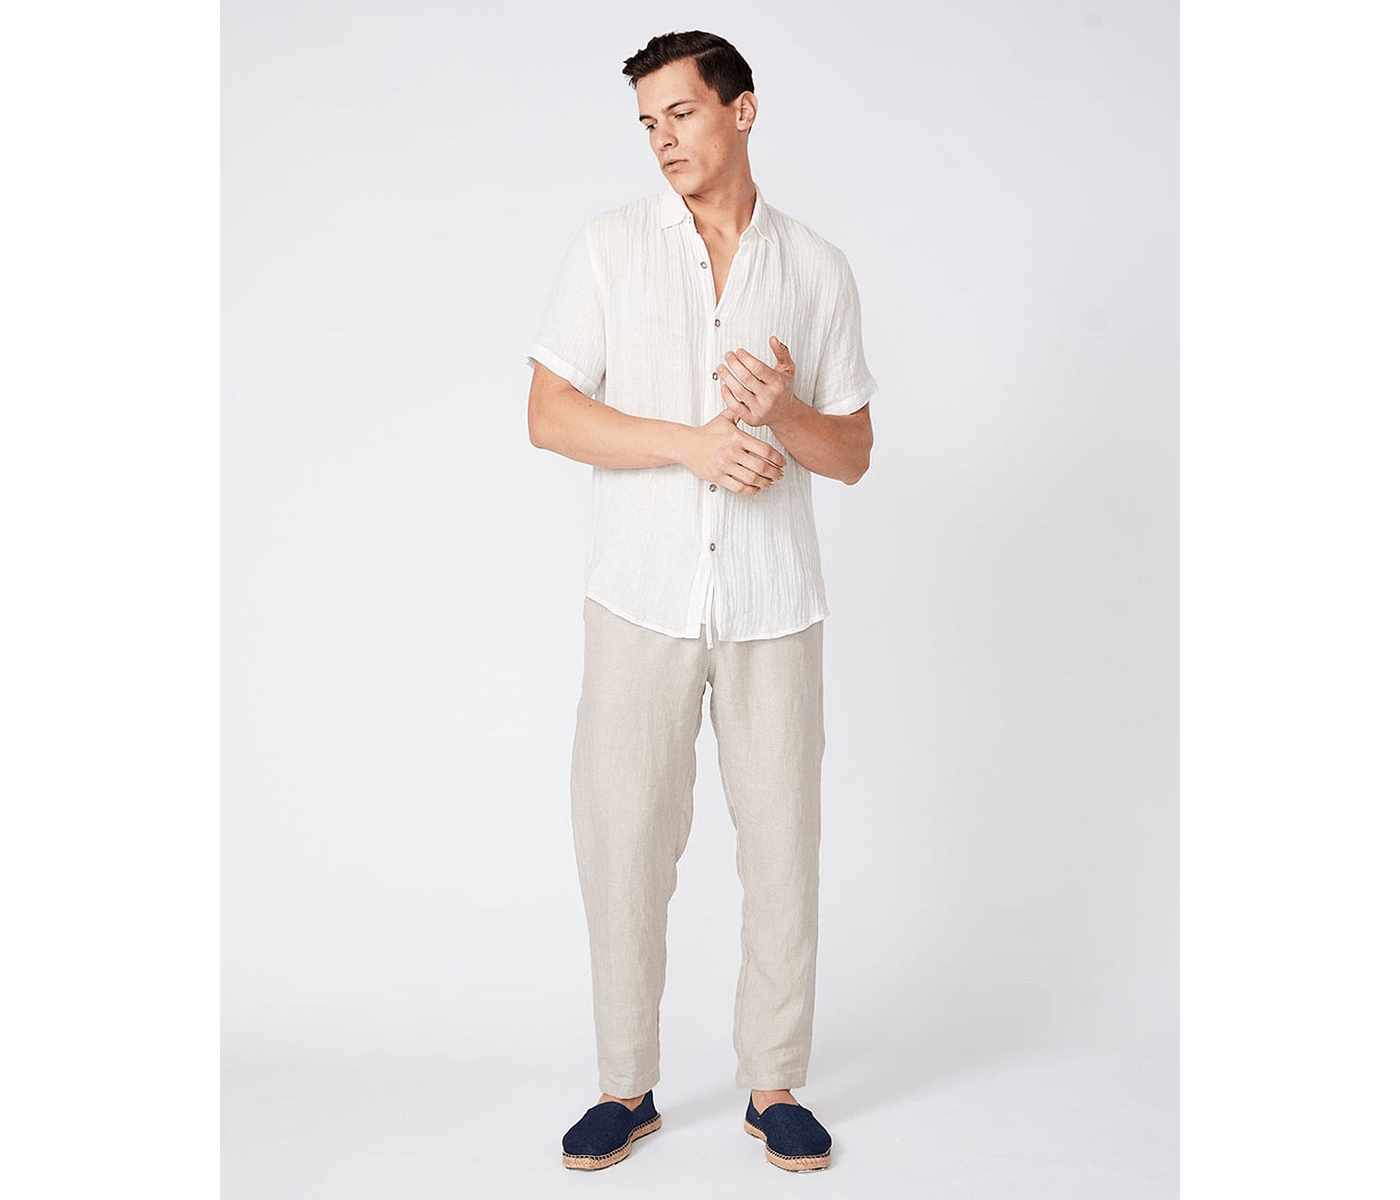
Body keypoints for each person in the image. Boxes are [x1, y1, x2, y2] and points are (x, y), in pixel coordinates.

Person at [525, 29, 877, 1173]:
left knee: (781, 849)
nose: (662, 139)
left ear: (741, 110)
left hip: (773, 603)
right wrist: (689, 443)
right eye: (647, 123)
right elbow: (547, 414)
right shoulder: (608, 248)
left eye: (679, 112)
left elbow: (852, 453)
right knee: (622, 844)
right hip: (639, 597)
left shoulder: (814, 268)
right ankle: (622, 1087)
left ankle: (772, 1086)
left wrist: (782, 412)